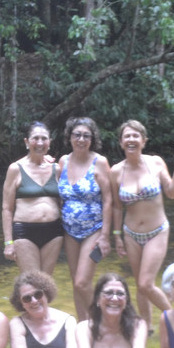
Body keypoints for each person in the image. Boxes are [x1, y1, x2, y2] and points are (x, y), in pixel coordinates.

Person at [110, 119, 174, 332]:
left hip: (157, 231)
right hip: (131, 233)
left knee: (145, 283)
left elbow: (171, 192)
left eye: (136, 136)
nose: (131, 139)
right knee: (140, 284)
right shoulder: (116, 171)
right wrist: (117, 236)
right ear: (121, 142)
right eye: (127, 136)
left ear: (144, 141)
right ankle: (147, 326)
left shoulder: (155, 162)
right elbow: (117, 208)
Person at [58, 117, 114, 319]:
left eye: (86, 136)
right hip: (69, 231)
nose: (81, 139)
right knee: (76, 283)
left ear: (92, 139)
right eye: (77, 135)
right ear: (70, 137)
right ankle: (84, 327)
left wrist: (105, 236)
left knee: (83, 282)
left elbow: (109, 200)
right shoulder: (63, 162)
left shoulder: (100, 162)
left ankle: (102, 321)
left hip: (94, 229)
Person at [1, 121, 63, 275]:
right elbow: (7, 208)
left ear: (50, 142)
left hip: (54, 231)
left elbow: (64, 202)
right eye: (35, 138)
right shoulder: (15, 169)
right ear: (27, 142)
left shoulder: (57, 168)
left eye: (44, 139)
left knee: (46, 284)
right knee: (32, 283)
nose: (40, 143)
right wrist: (8, 242)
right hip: (25, 232)